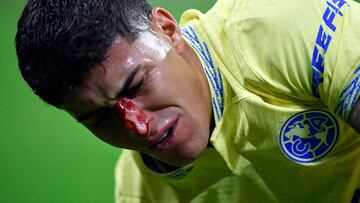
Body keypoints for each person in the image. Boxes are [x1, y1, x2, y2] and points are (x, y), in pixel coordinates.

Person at [15, 0, 360, 202]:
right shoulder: (140, 194)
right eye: (99, 119)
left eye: (135, 85)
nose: (138, 127)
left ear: (167, 30)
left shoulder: (283, 28)